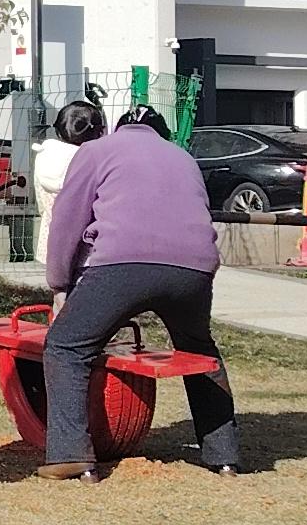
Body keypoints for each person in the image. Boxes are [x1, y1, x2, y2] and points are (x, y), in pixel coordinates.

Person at [35, 94, 244, 480]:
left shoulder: (96, 151)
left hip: (121, 262)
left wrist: (60, 283)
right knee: (198, 350)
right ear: (162, 134)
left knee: (66, 346)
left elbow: (67, 220)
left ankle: (70, 454)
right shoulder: (183, 158)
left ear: (116, 129)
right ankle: (224, 455)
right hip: (194, 269)